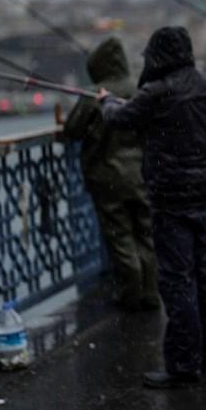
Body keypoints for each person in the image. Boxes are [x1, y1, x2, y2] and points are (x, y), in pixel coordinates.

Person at [99, 26, 206, 389]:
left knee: (177, 279)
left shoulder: (156, 91)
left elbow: (119, 120)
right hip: (201, 192)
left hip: (168, 196)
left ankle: (183, 365)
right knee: (205, 274)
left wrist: (106, 101)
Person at [63, 37, 159, 311]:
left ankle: (131, 294)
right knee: (146, 234)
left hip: (107, 177)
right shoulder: (139, 89)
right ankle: (151, 292)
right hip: (141, 174)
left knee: (120, 237)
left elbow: (72, 129)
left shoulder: (95, 94)